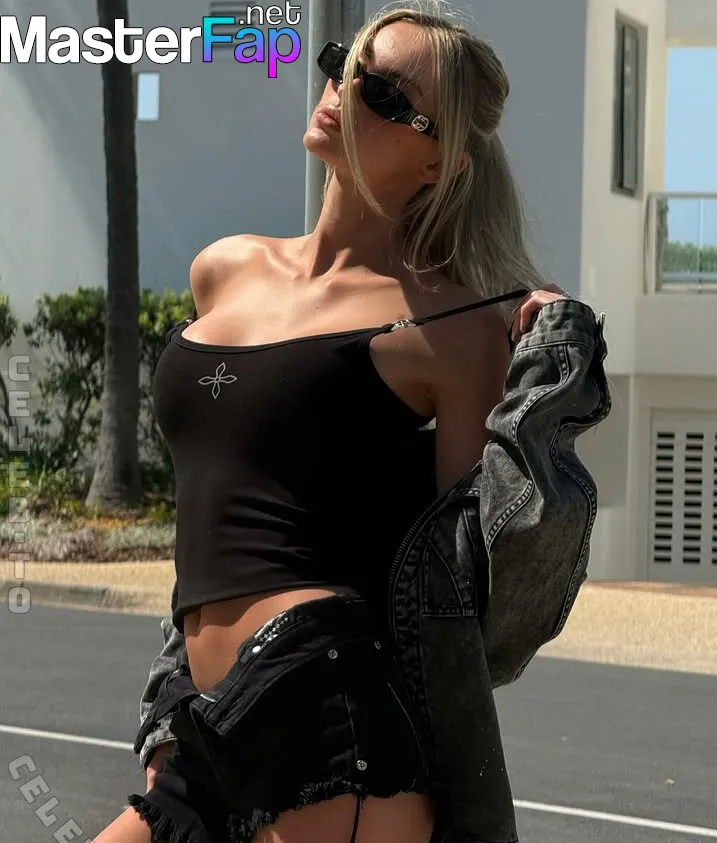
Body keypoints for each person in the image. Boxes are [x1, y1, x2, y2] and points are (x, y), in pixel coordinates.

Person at [94, 4, 569, 842]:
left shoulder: (455, 328)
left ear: (438, 162)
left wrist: (548, 360)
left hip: (325, 721)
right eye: (348, 64)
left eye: (385, 95)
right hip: (203, 718)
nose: (346, 90)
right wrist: (174, 701)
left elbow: (458, 577)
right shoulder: (224, 268)